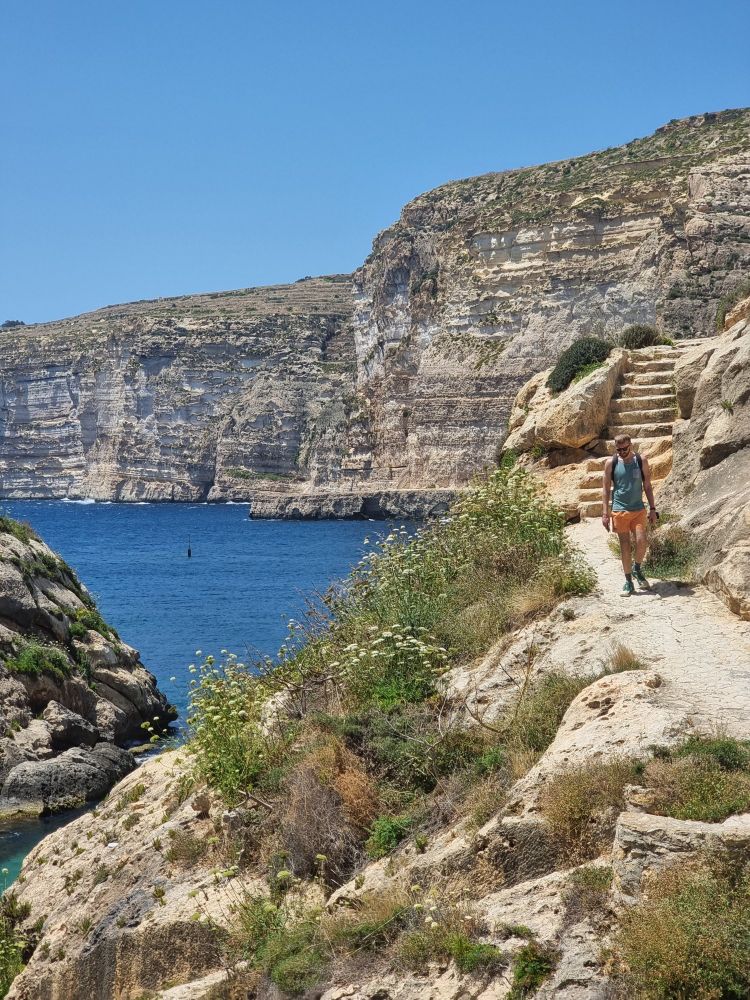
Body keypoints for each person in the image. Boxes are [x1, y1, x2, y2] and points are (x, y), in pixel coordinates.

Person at [601, 434, 658, 596]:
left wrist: (653, 508)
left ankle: (637, 568)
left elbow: (647, 485)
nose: (621, 452)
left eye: (624, 449)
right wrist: (605, 513)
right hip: (619, 510)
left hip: (638, 509)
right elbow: (605, 489)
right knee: (625, 547)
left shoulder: (641, 460)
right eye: (618, 449)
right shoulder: (610, 463)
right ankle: (628, 582)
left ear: (630, 445)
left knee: (642, 541)